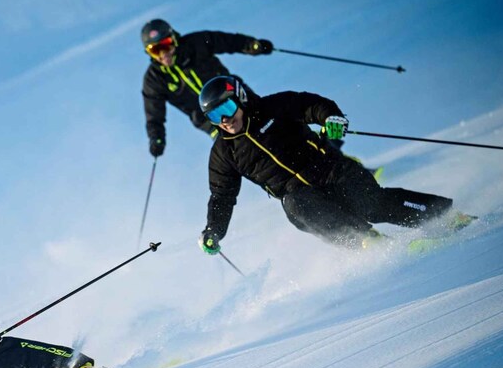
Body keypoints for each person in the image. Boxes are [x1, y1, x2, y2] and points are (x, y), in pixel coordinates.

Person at [195, 75, 472, 252]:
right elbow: (222, 196)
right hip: (303, 197)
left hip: (329, 170)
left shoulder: (272, 108)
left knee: (371, 204)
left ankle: (446, 217)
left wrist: (331, 118)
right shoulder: (224, 153)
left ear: (239, 99)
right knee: (294, 206)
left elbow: (310, 105)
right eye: (215, 116)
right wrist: (214, 231)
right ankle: (369, 244)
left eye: (227, 109)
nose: (224, 120)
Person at [140, 18, 272, 158]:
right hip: (210, 119)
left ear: (174, 39)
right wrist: (156, 138)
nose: (163, 54)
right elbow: (154, 114)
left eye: (166, 45)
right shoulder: (153, 80)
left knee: (265, 121)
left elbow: (225, 41)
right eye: (155, 50)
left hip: (234, 96)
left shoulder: (195, 43)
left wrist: (251, 45)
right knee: (239, 152)